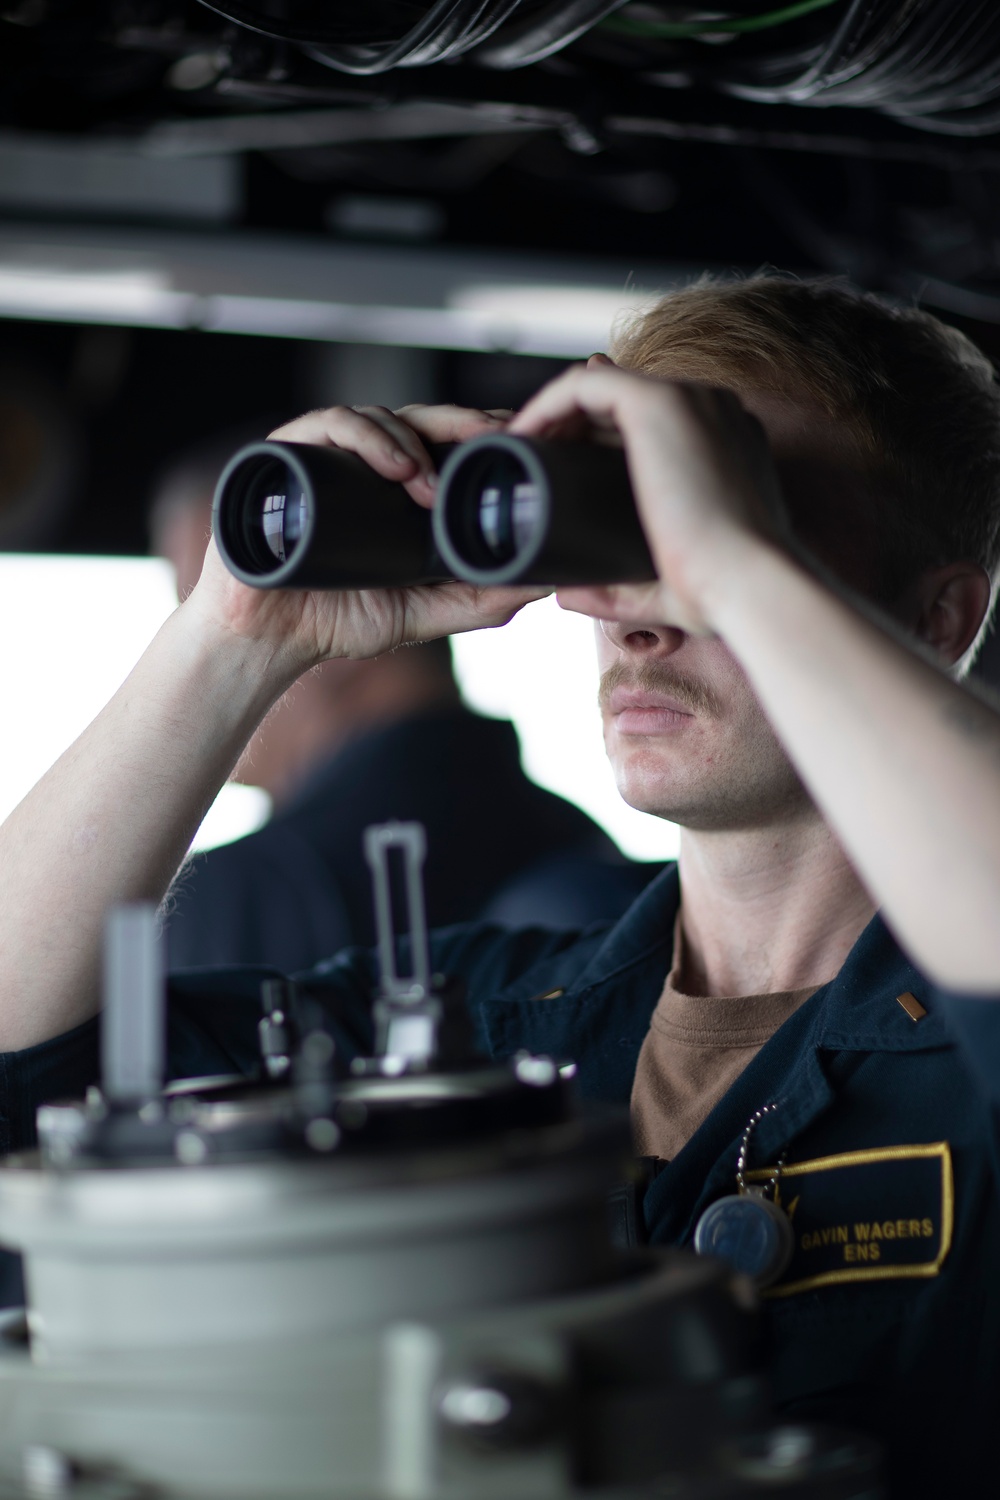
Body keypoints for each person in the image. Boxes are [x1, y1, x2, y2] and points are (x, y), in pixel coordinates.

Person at [3, 275, 1000, 1495]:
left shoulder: (965, 1053)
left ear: (941, 614)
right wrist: (233, 642)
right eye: (621, 529)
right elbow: (19, 1069)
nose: (640, 614)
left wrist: (733, 563)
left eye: (737, 522)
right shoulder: (475, 1023)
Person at [148, 436, 656, 970]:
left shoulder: (245, 895)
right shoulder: (575, 839)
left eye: (212, 610)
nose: (196, 649)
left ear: (332, 607)